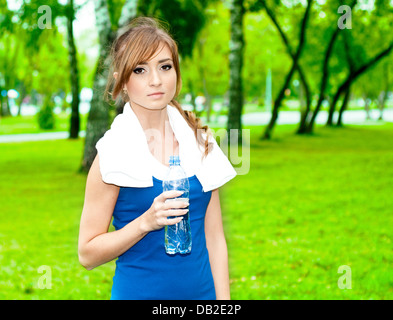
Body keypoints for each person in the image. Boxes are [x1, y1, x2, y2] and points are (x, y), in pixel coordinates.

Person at [78, 17, 236, 300]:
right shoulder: (111, 155)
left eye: (165, 67)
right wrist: (145, 222)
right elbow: (87, 254)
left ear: (176, 73)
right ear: (122, 81)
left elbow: (215, 239)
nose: (156, 80)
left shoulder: (201, 141)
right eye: (140, 69)